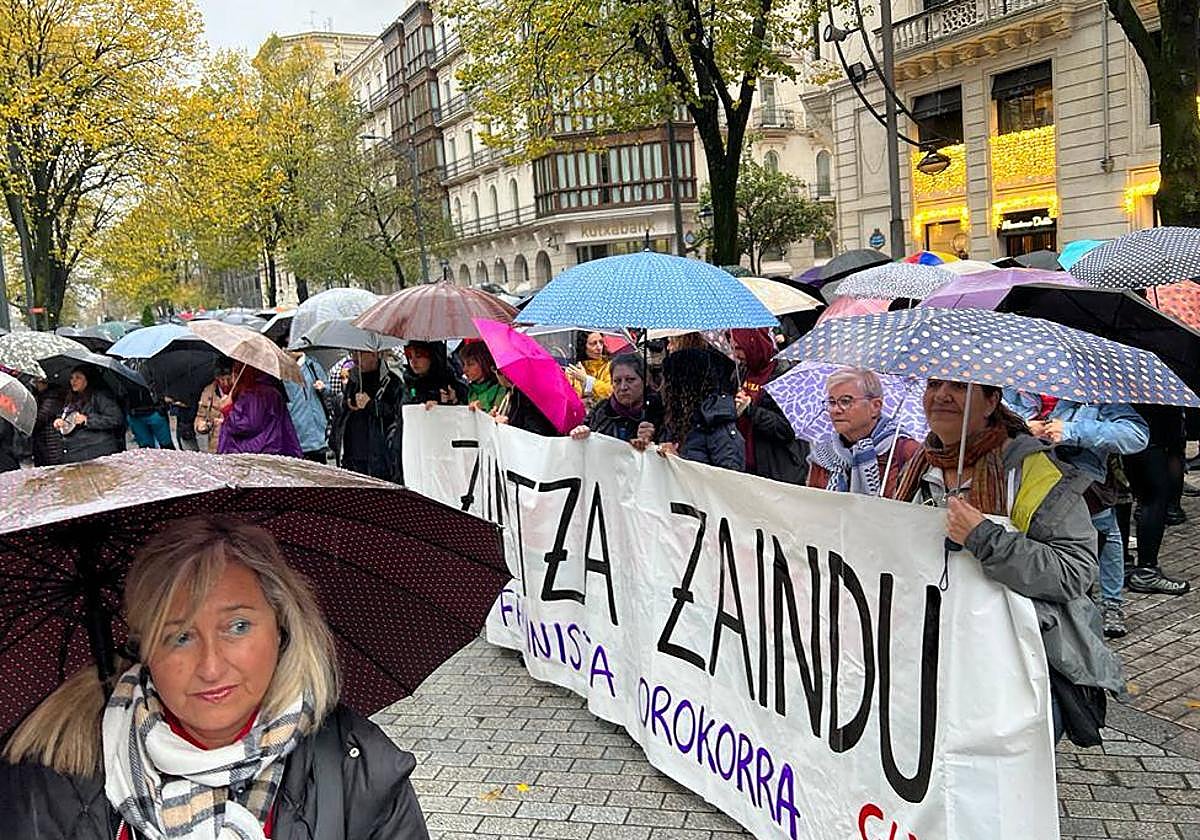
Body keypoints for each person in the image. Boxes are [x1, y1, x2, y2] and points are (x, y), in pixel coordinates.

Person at [0, 515, 430, 839]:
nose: (211, 667)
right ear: (143, 647)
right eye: (180, 636)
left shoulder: (361, 774)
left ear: (282, 626)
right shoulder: (51, 778)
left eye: (237, 626)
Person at [891, 379, 1124, 745]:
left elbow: (1073, 573)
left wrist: (985, 537)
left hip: (1015, 666)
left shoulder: (1034, 471)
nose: (941, 395)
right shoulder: (913, 469)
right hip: (931, 659)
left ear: (991, 401)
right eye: (934, 384)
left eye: (959, 386)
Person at [1007, 390, 1149, 639]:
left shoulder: (1094, 393)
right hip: (1027, 486)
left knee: (1105, 535)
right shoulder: (1011, 390)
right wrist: (1021, 428)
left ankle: (1111, 604)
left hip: (1084, 488)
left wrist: (1072, 430)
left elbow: (1136, 435)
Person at [808, 368, 920, 496]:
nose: (835, 410)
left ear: (875, 406)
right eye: (832, 402)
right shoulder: (824, 455)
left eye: (845, 401)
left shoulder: (905, 451)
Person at [1119, 406, 1192, 597]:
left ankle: (1122, 564)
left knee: (1122, 499)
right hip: (1151, 433)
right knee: (1152, 500)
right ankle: (1146, 570)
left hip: (1121, 429)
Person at [730, 328, 806, 484]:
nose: (735, 355)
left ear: (753, 344)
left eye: (739, 348)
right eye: (732, 348)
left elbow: (787, 429)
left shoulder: (784, 375)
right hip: (746, 469)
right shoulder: (740, 372)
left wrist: (751, 410)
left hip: (777, 471)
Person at [658, 348, 745, 470]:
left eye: (666, 381)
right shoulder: (677, 421)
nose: (661, 388)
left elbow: (730, 482)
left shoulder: (718, 426)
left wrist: (679, 463)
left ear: (682, 385)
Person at [570, 353, 662, 450]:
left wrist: (654, 441)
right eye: (617, 381)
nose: (623, 387)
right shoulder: (600, 412)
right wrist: (581, 433)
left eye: (630, 380)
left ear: (645, 381)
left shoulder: (659, 414)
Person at [339, 350, 403, 480]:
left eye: (361, 354)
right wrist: (347, 404)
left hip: (379, 458)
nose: (356, 359)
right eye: (353, 354)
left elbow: (396, 414)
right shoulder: (353, 379)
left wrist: (371, 405)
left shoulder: (391, 381)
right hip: (351, 455)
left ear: (374, 354)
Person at [216, 363, 303, 458]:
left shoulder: (252, 394)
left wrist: (227, 409)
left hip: (250, 453)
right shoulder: (274, 392)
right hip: (272, 448)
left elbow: (245, 425)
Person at [53, 366, 126, 463]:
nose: (73, 381)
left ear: (88, 379)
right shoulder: (71, 399)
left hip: (97, 450)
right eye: (71, 378)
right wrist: (60, 421)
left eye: (78, 378)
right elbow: (67, 417)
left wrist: (87, 420)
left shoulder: (101, 396)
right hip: (74, 451)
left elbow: (116, 419)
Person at [285, 351, 330, 463]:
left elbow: (329, 389)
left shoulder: (312, 365)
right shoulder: (282, 370)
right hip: (295, 434)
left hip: (316, 432)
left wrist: (323, 387)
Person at [493, 371, 559, 436]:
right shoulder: (513, 392)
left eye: (496, 371)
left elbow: (535, 433)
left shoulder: (527, 397)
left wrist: (507, 427)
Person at [195, 359, 234, 454]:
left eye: (229, 379)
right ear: (217, 378)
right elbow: (201, 415)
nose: (225, 383)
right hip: (215, 445)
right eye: (222, 379)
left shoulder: (240, 392)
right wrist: (200, 426)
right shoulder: (209, 392)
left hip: (234, 446)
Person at [565, 331, 612, 408]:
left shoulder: (610, 366)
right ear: (583, 346)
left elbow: (610, 392)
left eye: (601, 342)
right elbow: (571, 399)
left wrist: (587, 380)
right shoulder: (575, 368)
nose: (599, 347)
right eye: (593, 344)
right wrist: (569, 381)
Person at [460, 341, 506, 412]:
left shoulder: (501, 389)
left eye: (471, 364)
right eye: (464, 364)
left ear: (485, 364)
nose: (464, 369)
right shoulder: (470, 390)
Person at [31, 378, 68, 466]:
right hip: (43, 443)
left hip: (51, 443)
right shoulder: (41, 396)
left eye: (38, 382)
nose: (36, 385)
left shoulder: (52, 397)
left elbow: (39, 419)